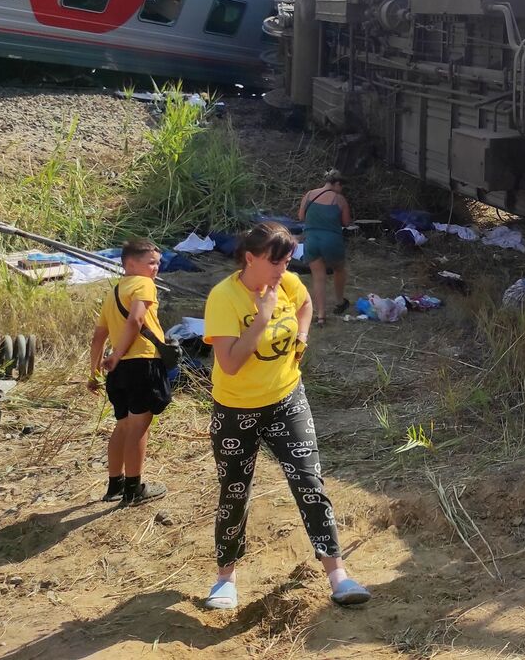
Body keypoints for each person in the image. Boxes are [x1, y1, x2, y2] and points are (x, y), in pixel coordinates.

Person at [201, 221, 369, 610]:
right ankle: (225, 578)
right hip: (235, 409)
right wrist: (262, 318)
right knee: (235, 491)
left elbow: (306, 303)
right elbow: (228, 363)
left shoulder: (288, 284)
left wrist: (302, 337)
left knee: (309, 481)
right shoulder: (223, 297)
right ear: (250, 258)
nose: (283, 269)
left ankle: (338, 575)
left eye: (288, 259)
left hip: (286, 400)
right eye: (275, 261)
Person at [87, 237, 171, 506]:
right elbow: (136, 319)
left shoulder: (114, 292)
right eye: (150, 263)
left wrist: (95, 372)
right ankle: (134, 490)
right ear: (130, 263)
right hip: (141, 362)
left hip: (119, 371)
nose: (156, 268)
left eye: (158, 263)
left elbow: (98, 336)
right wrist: (118, 354)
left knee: (122, 426)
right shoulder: (144, 284)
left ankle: (115, 485)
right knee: (138, 428)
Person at [298, 170, 352, 325]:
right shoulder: (339, 199)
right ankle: (340, 302)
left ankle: (321, 315)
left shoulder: (309, 195)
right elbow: (346, 222)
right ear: (337, 184)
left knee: (318, 277)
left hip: (312, 240)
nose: (341, 190)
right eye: (341, 187)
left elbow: (301, 217)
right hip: (332, 241)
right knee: (339, 270)